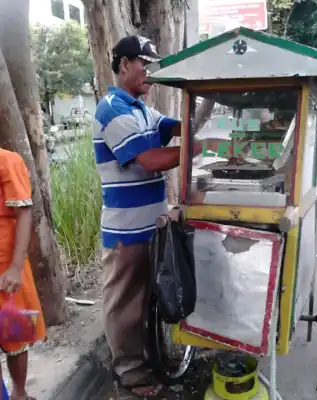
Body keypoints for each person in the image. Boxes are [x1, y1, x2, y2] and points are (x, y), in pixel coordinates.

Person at [93, 35, 222, 397]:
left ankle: (151, 358)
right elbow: (148, 160)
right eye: (145, 65)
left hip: (152, 223)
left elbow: (176, 128)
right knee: (124, 303)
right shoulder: (112, 109)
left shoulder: (142, 109)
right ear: (123, 65)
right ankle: (129, 373)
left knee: (147, 298)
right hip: (126, 230)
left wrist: (209, 104)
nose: (150, 73)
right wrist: (197, 148)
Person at [0, 148, 46, 400]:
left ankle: (19, 392)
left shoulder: (8, 161)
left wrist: (16, 267)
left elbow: (24, 212)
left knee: (15, 337)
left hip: (7, 270)